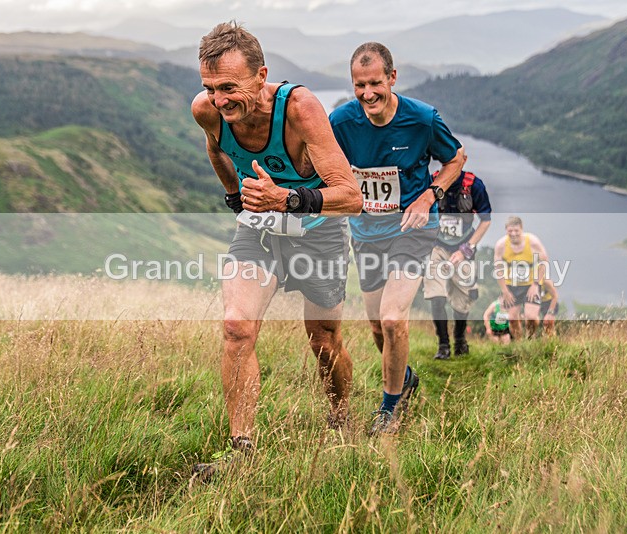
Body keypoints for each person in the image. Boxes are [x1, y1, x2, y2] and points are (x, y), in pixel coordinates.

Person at [190, 21, 363, 480]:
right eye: (210, 88)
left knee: (323, 341)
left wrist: (286, 199)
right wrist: (236, 199)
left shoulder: (300, 109)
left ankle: (341, 415)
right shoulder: (206, 110)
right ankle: (242, 454)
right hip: (261, 230)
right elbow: (216, 151)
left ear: (261, 75)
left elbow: (351, 195)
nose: (219, 100)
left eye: (229, 87)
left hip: (318, 230)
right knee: (236, 329)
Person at [329, 42, 465, 435]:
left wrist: (429, 195)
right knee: (377, 328)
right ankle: (403, 377)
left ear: (392, 78)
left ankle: (389, 410)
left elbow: (455, 158)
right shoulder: (340, 122)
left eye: (374, 83)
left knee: (393, 319)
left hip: (413, 229)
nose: (367, 93)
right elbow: (322, 166)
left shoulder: (422, 119)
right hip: (367, 233)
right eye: (359, 85)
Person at [423, 162, 492, 360]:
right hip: (437, 247)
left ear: (462, 161)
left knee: (463, 301)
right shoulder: (431, 182)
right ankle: (443, 345)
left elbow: (486, 220)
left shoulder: (474, 186)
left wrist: (466, 250)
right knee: (436, 295)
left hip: (464, 248)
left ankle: (460, 340)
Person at [492, 216, 549, 340]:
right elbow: (498, 269)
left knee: (531, 317)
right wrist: (505, 291)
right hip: (511, 285)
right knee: (512, 318)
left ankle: (531, 337)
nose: (513, 234)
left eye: (516, 231)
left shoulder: (532, 241)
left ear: (521, 229)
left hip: (531, 284)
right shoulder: (501, 245)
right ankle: (519, 344)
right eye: (510, 231)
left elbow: (544, 261)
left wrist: (535, 284)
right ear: (506, 230)